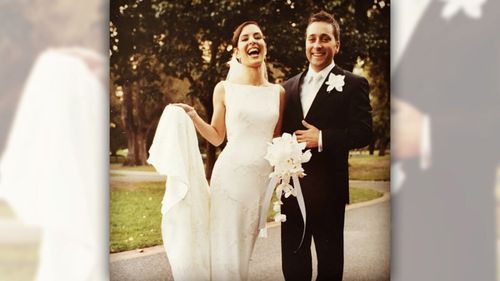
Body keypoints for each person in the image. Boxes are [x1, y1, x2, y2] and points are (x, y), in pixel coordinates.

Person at [174, 21, 285, 280]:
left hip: (260, 186)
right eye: (245, 39)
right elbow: (217, 136)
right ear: (236, 51)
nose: (252, 41)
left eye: (258, 36)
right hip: (231, 180)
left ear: (265, 46)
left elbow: (276, 138)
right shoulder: (224, 89)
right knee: (228, 252)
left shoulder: (278, 92)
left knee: (244, 251)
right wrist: (194, 117)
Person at [280, 11, 373, 280]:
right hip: (293, 191)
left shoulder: (354, 84)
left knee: (330, 266)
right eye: (311, 39)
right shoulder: (287, 87)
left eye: (324, 38)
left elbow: (364, 133)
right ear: (305, 43)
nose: (317, 45)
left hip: (329, 191)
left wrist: (321, 138)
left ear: (337, 45)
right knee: (293, 264)